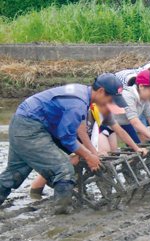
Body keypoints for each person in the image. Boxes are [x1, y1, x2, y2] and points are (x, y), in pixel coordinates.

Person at [0, 73, 129, 214]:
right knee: (64, 171)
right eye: (110, 99)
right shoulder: (78, 103)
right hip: (31, 127)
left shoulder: (81, 93)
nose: (110, 103)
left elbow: (66, 134)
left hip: (23, 123)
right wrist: (88, 155)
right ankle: (61, 215)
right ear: (101, 91)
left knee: (15, 172)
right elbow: (66, 137)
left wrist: (86, 152)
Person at [30, 101, 147, 196]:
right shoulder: (84, 109)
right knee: (67, 161)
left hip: (74, 136)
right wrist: (92, 153)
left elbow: (119, 131)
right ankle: (35, 192)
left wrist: (136, 148)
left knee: (87, 156)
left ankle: (73, 183)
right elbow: (81, 133)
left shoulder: (102, 113)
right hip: (60, 135)